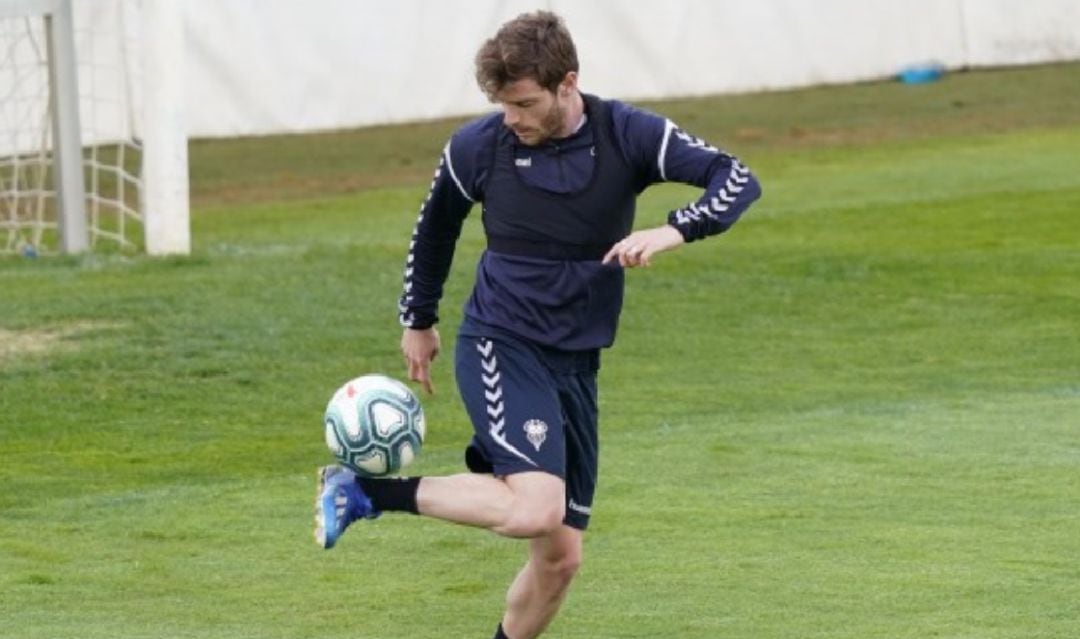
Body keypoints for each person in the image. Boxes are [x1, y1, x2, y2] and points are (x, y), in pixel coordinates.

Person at [314, 10, 761, 639]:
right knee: (535, 509)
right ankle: (361, 492)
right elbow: (436, 227)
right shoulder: (479, 145)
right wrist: (418, 319)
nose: (513, 118)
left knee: (560, 559)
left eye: (524, 103)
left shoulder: (629, 133)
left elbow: (737, 178)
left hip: (577, 361)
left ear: (567, 84)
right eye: (503, 104)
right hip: (502, 341)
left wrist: (674, 228)